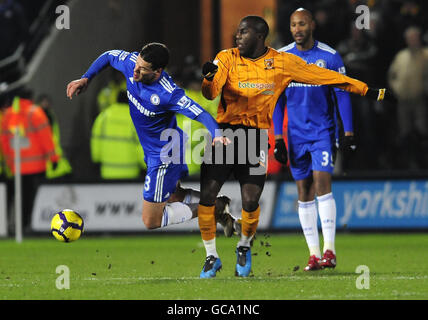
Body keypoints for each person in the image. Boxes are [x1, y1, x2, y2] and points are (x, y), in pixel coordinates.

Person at [199, 15, 388, 278]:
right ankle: (211, 256)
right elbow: (210, 93)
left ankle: (244, 247)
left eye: (244, 32)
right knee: (207, 195)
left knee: (251, 201)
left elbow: (324, 77)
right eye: (237, 32)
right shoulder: (226, 57)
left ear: (259, 36)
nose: (237, 36)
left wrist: (364, 89)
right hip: (225, 135)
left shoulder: (282, 62)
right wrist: (209, 79)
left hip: (254, 137)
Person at [66, 43, 235, 235]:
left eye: (142, 69)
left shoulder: (168, 93)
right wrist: (86, 78)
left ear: (157, 71)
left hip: (164, 152)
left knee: (151, 220)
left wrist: (218, 135)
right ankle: (217, 203)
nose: (135, 71)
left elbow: (201, 113)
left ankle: (214, 208)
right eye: (137, 65)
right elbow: (109, 55)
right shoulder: (132, 64)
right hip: (157, 147)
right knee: (174, 196)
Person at [273, 8, 355, 271]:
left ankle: (330, 250)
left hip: (322, 131)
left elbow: (343, 94)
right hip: (295, 136)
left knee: (322, 183)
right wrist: (278, 137)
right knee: (303, 191)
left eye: (302, 24)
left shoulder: (329, 57)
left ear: (312, 25)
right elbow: (276, 102)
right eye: (293, 25)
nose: (297, 29)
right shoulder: (282, 57)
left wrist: (348, 131)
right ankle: (313, 255)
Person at [0, 88, 59, 231]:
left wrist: (9, 161)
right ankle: (28, 226)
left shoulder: (8, 115)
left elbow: (4, 141)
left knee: (18, 199)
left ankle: (16, 226)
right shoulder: (36, 113)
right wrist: (53, 158)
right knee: (32, 199)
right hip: (36, 166)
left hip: (17, 166)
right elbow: (46, 138)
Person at [388, 26, 428, 168]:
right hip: (403, 100)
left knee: (422, 131)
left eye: (414, 38)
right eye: (409, 38)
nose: (412, 41)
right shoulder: (401, 56)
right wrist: (396, 88)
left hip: (419, 100)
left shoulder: (425, 55)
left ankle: (422, 164)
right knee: (405, 132)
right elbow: (392, 75)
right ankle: (407, 164)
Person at [91, 90, 146, 179]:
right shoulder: (136, 119)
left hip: (107, 172)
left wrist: (96, 160)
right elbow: (141, 145)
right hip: (130, 173)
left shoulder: (103, 117)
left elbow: (96, 142)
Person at [35, 94, 72, 179]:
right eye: (44, 102)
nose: (46, 104)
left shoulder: (50, 115)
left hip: (53, 153)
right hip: (46, 158)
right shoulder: (41, 116)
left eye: (47, 102)